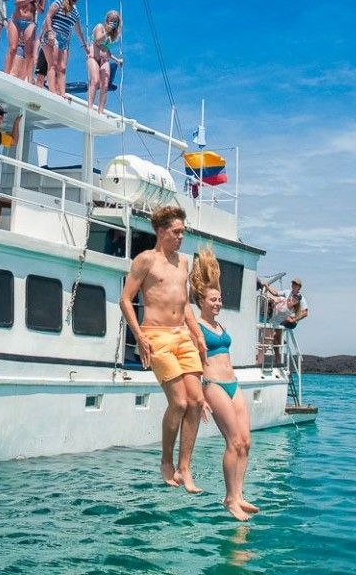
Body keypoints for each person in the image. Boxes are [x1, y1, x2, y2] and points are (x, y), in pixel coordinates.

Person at [119, 204, 206, 493]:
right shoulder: (146, 260)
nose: (181, 237)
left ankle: (185, 466)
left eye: (183, 232)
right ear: (161, 231)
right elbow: (125, 300)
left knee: (195, 402)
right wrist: (140, 337)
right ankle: (166, 461)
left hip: (183, 336)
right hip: (156, 335)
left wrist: (198, 334)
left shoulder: (183, 263)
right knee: (179, 402)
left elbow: (185, 304)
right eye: (176, 232)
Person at [191, 249, 258, 521]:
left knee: (246, 442)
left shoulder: (219, 325)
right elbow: (192, 365)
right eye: (213, 299)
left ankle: (239, 495)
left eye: (219, 299)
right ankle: (230, 498)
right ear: (201, 301)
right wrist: (200, 397)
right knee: (232, 442)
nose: (218, 303)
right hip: (213, 384)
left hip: (233, 383)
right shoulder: (195, 327)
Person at [39, 0, 89, 98]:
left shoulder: (75, 12)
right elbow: (48, 17)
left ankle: (62, 93)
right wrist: (50, 32)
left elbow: (78, 31)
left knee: (62, 68)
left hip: (64, 41)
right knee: (53, 64)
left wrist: (84, 46)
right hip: (52, 36)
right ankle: (52, 92)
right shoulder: (58, 3)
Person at [6, 0, 47, 80]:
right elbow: (16, 2)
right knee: (13, 48)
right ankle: (6, 73)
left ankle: (27, 77)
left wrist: (37, 2)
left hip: (30, 22)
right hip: (16, 19)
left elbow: (41, 11)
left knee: (28, 52)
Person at [86, 10, 123, 113]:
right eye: (112, 20)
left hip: (104, 59)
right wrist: (107, 31)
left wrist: (116, 60)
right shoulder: (100, 27)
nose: (113, 23)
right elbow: (98, 40)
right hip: (93, 57)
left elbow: (106, 49)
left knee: (105, 85)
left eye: (116, 21)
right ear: (107, 19)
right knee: (95, 81)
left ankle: (100, 110)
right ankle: (89, 108)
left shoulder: (112, 35)